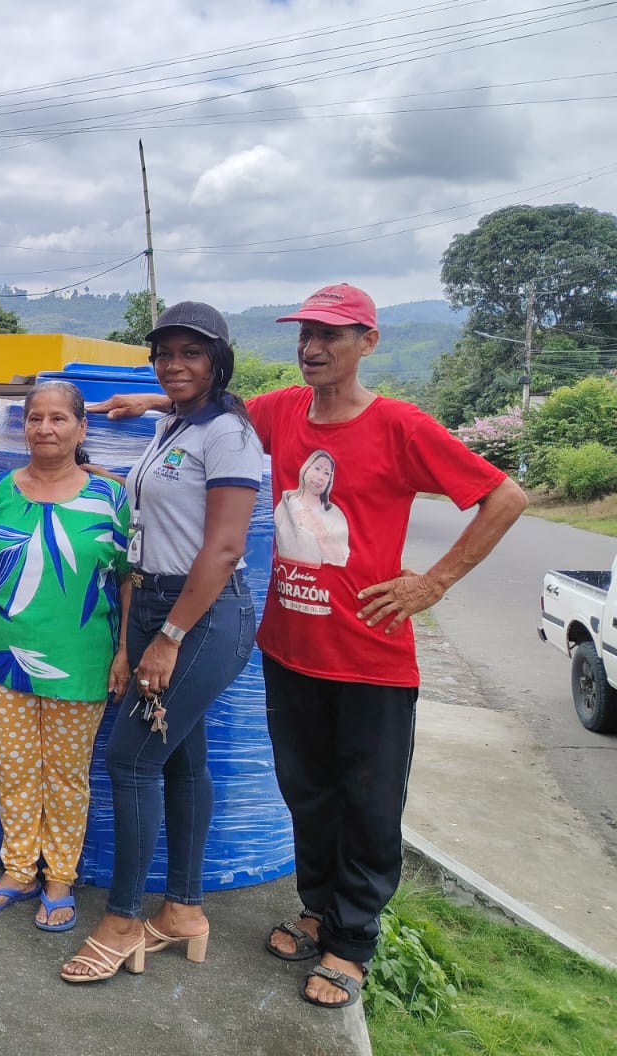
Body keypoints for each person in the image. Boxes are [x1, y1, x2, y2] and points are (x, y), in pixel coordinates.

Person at [92, 283, 526, 1008]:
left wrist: (433, 583)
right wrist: (148, 402)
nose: (313, 348)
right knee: (307, 793)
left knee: (368, 804)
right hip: (291, 648)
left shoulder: (400, 425)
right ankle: (319, 911)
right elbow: (215, 406)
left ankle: (351, 945)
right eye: (305, 335)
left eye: (331, 335)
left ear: (367, 342)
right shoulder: (283, 411)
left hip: (370, 657)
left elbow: (505, 498)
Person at [64, 303, 262, 985]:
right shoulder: (177, 422)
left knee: (130, 759)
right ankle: (182, 911)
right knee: (180, 759)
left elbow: (226, 546)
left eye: (191, 353)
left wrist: (169, 637)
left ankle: (122, 921)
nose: (174, 364)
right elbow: (163, 480)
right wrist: (143, 405)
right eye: (164, 353)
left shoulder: (229, 434)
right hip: (155, 603)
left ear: (218, 361)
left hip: (199, 616)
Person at [0, 381, 131, 932]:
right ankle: (17, 870)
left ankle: (59, 877)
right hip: (4, 657)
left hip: (81, 660)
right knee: (13, 770)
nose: (45, 428)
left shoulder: (110, 498)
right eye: (35, 418)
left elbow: (127, 578)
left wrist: (124, 651)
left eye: (59, 418)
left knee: (66, 775)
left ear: (82, 428)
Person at [273, 450, 350, 567]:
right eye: (317, 468)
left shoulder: (335, 514)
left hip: (322, 577)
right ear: (306, 468)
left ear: (329, 480)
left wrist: (319, 532)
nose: (320, 477)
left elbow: (339, 559)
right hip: (286, 575)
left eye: (326, 473)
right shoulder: (286, 501)